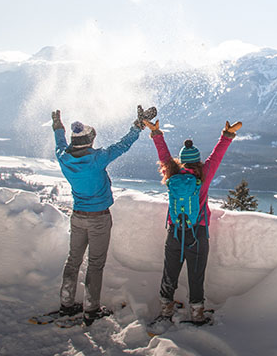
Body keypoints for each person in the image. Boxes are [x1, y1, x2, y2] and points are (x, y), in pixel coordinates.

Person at [52, 106, 155, 326]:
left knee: (73, 262)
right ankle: (91, 310)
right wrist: (137, 126)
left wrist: (58, 127)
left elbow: (60, 143)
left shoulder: (63, 158)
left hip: (77, 216)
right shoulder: (97, 158)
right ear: (89, 142)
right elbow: (122, 145)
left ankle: (66, 304)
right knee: (95, 264)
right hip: (99, 218)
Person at [143, 117, 242, 325]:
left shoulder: (172, 173)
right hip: (198, 232)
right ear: (197, 160)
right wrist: (227, 136)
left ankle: (166, 311)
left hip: (175, 231)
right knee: (196, 276)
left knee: (169, 272)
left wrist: (156, 134)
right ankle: (197, 313)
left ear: (181, 160)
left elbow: (163, 156)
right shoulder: (203, 174)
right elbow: (217, 156)